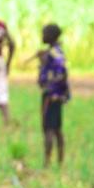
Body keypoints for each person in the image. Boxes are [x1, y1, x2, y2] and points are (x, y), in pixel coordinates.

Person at [37, 24, 70, 167]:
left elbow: (62, 72)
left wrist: (53, 90)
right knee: (56, 128)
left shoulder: (54, 53)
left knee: (49, 129)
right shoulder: (53, 52)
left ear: (50, 36)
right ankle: (59, 162)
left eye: (44, 33)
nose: (42, 36)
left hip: (51, 95)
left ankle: (47, 162)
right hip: (54, 94)